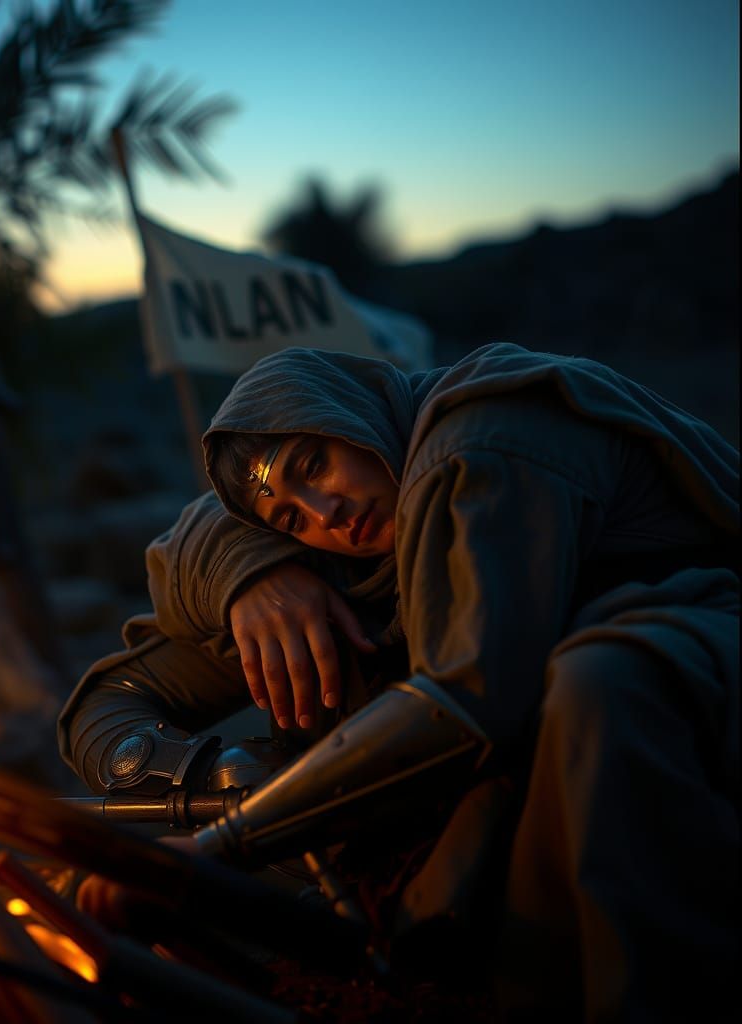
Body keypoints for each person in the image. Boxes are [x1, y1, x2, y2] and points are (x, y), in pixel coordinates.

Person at [58, 343, 738, 1021]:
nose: (324, 511)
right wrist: (231, 765)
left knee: (601, 683)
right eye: (290, 519)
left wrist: (223, 844)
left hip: (704, 648)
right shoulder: (338, 575)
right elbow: (103, 707)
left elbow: (468, 697)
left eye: (313, 462)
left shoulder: (482, 438)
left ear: (348, 415)